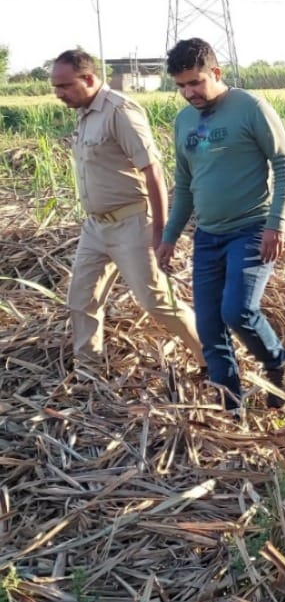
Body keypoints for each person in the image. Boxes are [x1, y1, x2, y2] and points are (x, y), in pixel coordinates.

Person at [156, 38, 285, 414]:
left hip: (252, 229)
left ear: (216, 72)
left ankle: (279, 363)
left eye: (196, 82)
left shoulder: (250, 107)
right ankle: (230, 407)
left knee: (237, 310)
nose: (189, 92)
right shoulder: (184, 121)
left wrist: (277, 224)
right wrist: (170, 237)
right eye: (181, 86)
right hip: (208, 236)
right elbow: (184, 185)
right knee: (208, 325)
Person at [51, 49, 204, 372]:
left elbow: (153, 171)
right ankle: (88, 373)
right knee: (82, 300)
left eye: (65, 86)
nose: (59, 94)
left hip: (132, 223)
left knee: (156, 302)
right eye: (56, 87)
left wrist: (160, 232)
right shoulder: (85, 113)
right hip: (95, 227)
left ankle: (212, 359)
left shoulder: (119, 111)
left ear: (88, 78)